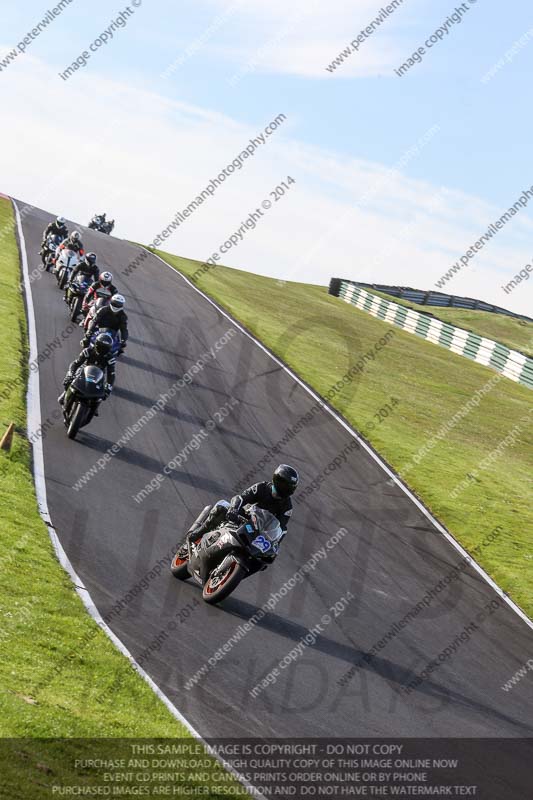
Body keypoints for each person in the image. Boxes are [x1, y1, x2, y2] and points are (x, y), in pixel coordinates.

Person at [187, 465, 299, 561]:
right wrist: (234, 509)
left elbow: (281, 528)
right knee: (222, 506)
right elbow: (241, 498)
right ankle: (200, 532)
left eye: (288, 487)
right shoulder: (262, 487)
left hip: (259, 533)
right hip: (243, 517)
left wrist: (275, 545)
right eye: (283, 485)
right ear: (276, 480)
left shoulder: (287, 507)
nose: (284, 489)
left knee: (264, 559)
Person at [58, 333, 116, 415]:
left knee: (103, 392)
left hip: (99, 375)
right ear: (96, 344)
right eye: (101, 346)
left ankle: (95, 407)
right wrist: (70, 373)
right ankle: (65, 394)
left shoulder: (110, 359)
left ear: (109, 349)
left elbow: (111, 374)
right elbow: (76, 363)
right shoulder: (88, 351)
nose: (102, 349)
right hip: (84, 370)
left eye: (105, 348)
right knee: (69, 380)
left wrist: (109, 387)